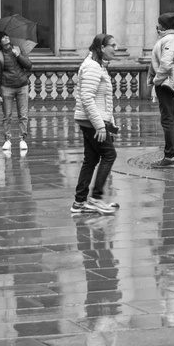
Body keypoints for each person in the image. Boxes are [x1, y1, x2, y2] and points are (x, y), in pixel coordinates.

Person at [72, 33, 119, 215]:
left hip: (93, 120)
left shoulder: (98, 66)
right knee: (109, 155)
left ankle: (79, 202)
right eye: (112, 46)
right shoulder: (92, 66)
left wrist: (110, 123)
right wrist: (100, 125)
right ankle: (96, 198)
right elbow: (87, 97)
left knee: (91, 159)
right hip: (92, 121)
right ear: (101, 47)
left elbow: (104, 99)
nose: (115, 49)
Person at [149, 13, 174, 167]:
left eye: (158, 23)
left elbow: (166, 64)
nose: (157, 26)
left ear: (163, 26)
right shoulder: (173, 38)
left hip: (166, 86)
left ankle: (170, 156)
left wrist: (156, 80)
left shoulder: (169, 39)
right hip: (172, 85)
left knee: (168, 120)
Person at [0, 32, 33, 153]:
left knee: (23, 115)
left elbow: (29, 65)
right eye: (3, 37)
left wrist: (18, 56)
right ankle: (7, 139)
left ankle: (22, 138)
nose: (7, 37)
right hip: (7, 88)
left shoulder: (18, 49)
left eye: (7, 36)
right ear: (0, 42)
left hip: (22, 86)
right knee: (7, 115)